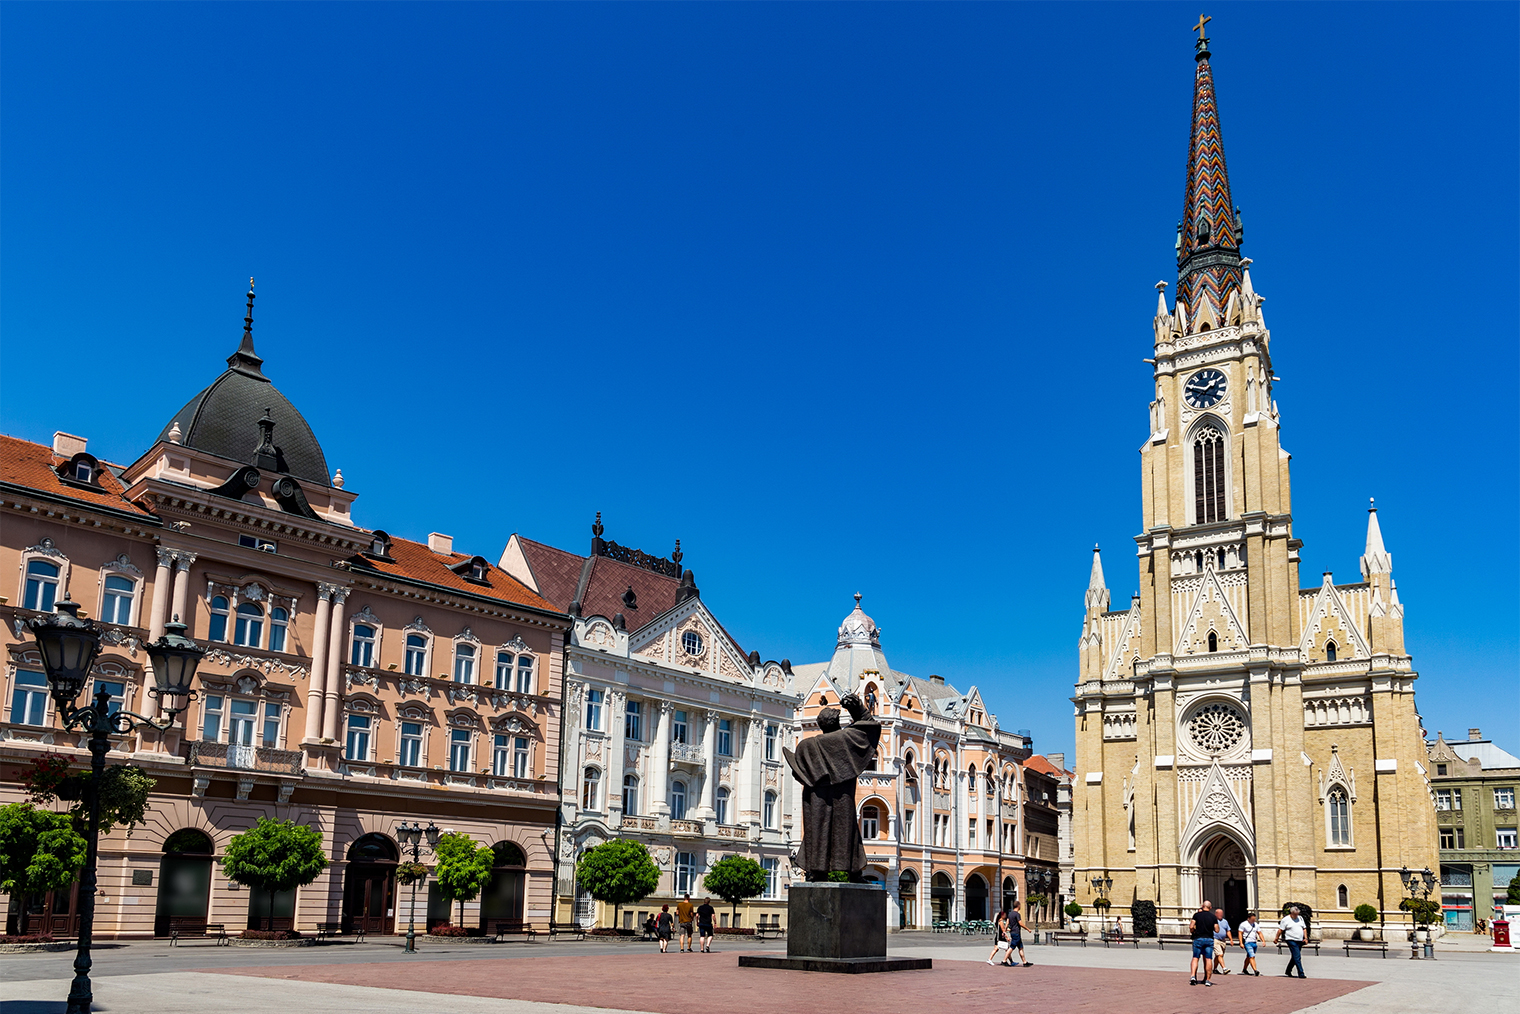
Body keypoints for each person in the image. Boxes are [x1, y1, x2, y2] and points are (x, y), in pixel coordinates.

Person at [1189, 900, 1219, 986]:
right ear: (1210, 908)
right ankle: (1208, 980)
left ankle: (1193, 976)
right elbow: (1217, 930)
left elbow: (1191, 926)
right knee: (1208, 959)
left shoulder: (1197, 915)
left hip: (1198, 938)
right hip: (1209, 939)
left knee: (1195, 958)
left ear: (1202, 906)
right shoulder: (1213, 917)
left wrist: (1193, 931)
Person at [1276, 905, 1308, 978]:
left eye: (1297, 914)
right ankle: (1301, 973)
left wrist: (1305, 938)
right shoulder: (1285, 920)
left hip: (1299, 940)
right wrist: (1276, 938)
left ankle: (1288, 971)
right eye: (1295, 914)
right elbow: (1280, 930)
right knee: (1297, 956)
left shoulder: (1300, 918)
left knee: (1295, 957)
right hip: (1291, 939)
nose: (1296, 915)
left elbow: (1304, 928)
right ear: (1291, 913)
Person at [1007, 899, 1032, 967]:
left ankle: (1025, 962)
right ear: (1018, 906)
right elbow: (1020, 923)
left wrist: (1006, 929)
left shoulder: (1010, 914)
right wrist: (1027, 929)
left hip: (1013, 932)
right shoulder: (1017, 914)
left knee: (1020, 948)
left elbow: (1007, 922)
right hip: (1016, 933)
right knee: (1012, 947)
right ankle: (1004, 960)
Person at [1238, 911, 1262, 976]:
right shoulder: (1243, 924)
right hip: (1247, 942)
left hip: (1254, 942)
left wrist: (1263, 941)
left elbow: (1259, 932)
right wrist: (1241, 943)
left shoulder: (1256, 925)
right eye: (1252, 919)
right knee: (1252, 956)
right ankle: (1255, 970)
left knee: (1249, 957)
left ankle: (1244, 969)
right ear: (1249, 918)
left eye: (1254, 919)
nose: (1254, 920)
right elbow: (1240, 933)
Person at [1212, 907, 1233, 975]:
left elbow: (1228, 931)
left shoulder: (1225, 921)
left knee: (1218, 956)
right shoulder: (1213, 920)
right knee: (1219, 954)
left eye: (1222, 914)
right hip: (1215, 939)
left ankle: (1214, 969)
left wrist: (1231, 939)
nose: (1221, 915)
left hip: (1223, 940)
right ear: (1216, 914)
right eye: (1219, 914)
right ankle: (1224, 968)